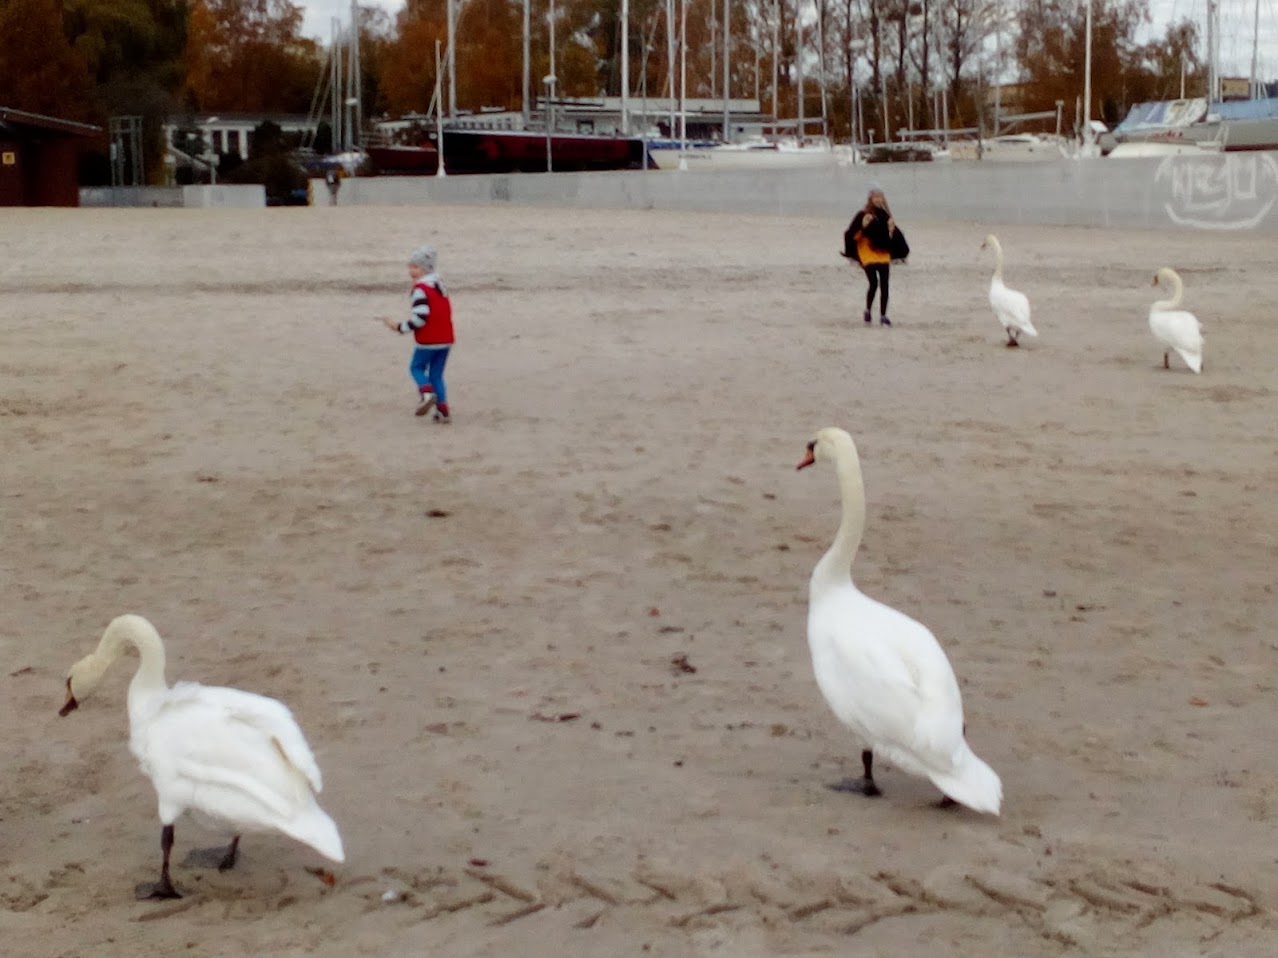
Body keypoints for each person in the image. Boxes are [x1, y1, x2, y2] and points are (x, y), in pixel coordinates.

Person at [381, 245, 455, 422]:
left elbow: (420, 319)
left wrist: (399, 327)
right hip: (446, 338)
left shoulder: (421, 289)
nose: (410, 270)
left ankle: (426, 393)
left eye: (415, 267)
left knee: (416, 367)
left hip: (428, 339)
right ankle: (443, 410)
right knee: (436, 374)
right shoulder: (439, 285)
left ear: (424, 269)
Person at [843, 185, 907, 327]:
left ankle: (883, 316)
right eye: (875, 197)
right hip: (867, 253)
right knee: (873, 283)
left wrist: (892, 231)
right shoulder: (862, 214)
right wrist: (863, 226)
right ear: (870, 199)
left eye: (880, 197)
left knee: (885, 284)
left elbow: (892, 236)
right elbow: (851, 235)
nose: (878, 200)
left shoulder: (886, 215)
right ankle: (868, 310)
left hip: (883, 253)